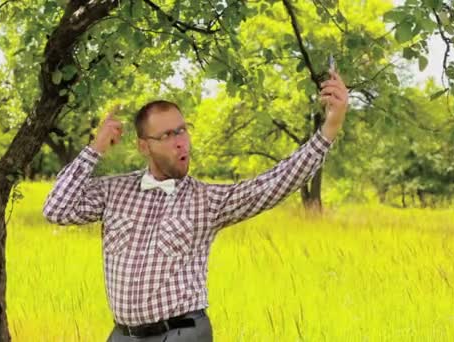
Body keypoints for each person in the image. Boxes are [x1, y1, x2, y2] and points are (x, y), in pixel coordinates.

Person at [43, 71, 349, 341]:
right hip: (123, 335)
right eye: (166, 135)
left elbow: (271, 184)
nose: (180, 142)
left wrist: (330, 128)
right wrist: (95, 149)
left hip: (182, 333)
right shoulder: (114, 191)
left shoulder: (206, 201)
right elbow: (56, 209)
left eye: (182, 130)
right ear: (143, 146)